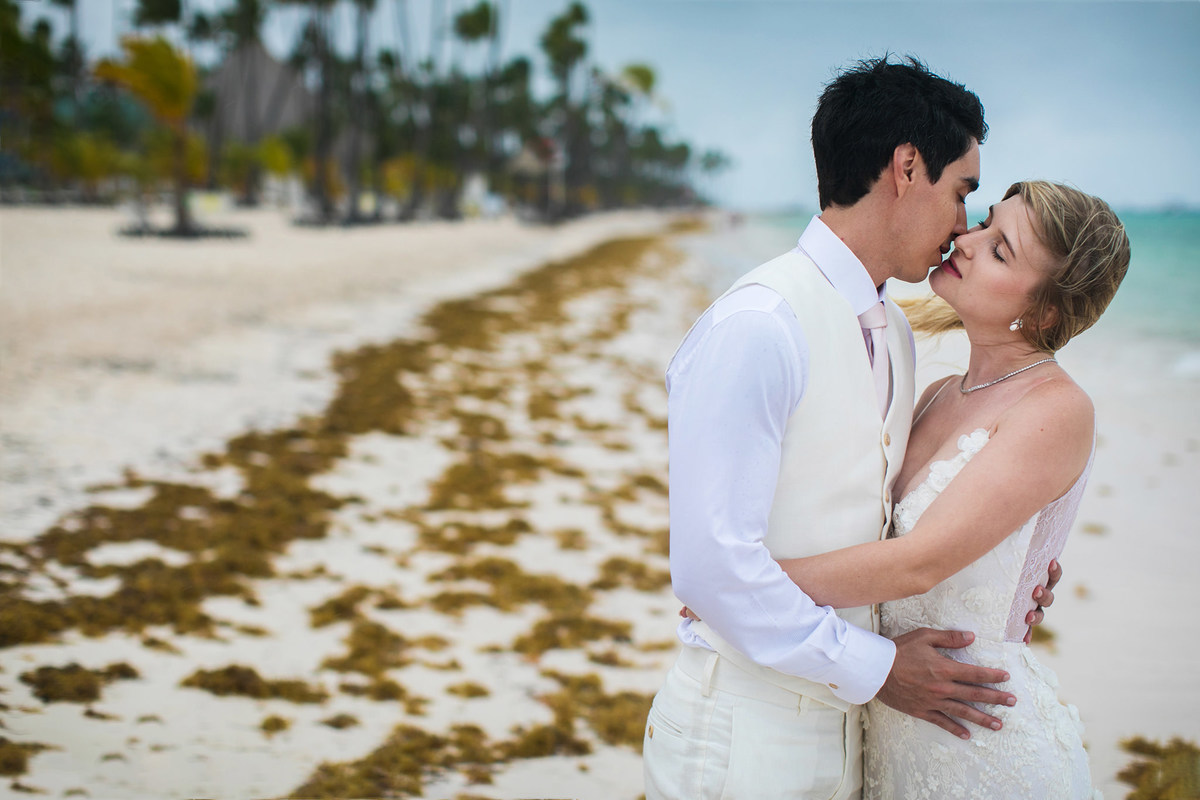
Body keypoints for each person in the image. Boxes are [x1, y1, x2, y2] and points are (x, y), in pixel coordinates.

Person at [642, 56, 1059, 799]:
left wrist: (1007, 572)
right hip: (743, 731)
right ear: (906, 167)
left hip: (848, 736)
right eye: (963, 193)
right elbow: (711, 570)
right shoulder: (759, 326)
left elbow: (883, 513)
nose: (962, 226)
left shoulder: (894, 332)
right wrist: (881, 669)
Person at [774, 180, 1129, 798]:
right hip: (893, 723)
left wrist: (746, 587)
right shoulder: (937, 391)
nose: (966, 239)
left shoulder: (1058, 408)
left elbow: (920, 561)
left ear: (1043, 312)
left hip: (980, 742)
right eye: (986, 223)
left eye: (999, 250)